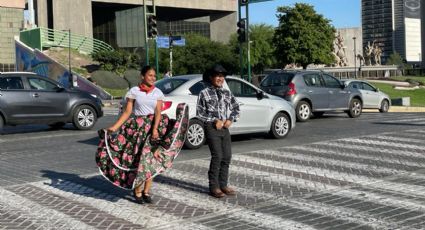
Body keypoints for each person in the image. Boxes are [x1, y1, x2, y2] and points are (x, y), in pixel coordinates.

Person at [106, 65, 165, 204]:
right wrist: (114, 127)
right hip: (137, 129)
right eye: (150, 75)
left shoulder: (157, 92)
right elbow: (127, 112)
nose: (153, 78)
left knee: (151, 160)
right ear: (142, 76)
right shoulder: (134, 91)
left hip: (152, 129)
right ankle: (137, 191)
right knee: (139, 160)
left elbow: (158, 113)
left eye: (154, 76)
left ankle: (146, 191)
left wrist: (155, 129)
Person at [196, 64, 240, 198]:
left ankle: (223, 184)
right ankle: (214, 187)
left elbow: (236, 107)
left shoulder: (227, 92)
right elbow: (200, 113)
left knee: (227, 156)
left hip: (225, 128)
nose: (220, 78)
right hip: (212, 128)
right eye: (217, 76)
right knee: (217, 156)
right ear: (211, 77)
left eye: (222, 76)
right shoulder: (204, 93)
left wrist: (231, 119)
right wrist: (215, 120)